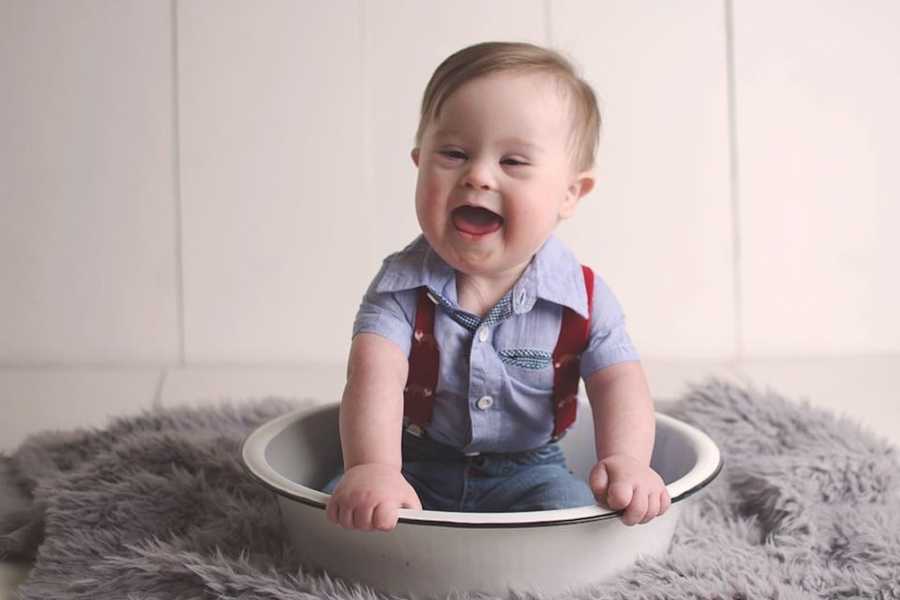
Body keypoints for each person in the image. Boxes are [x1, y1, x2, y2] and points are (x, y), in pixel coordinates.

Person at [323, 41, 669, 532]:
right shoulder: (400, 288)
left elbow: (619, 383)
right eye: (454, 153)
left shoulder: (583, 298)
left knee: (572, 516)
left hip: (530, 469)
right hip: (414, 461)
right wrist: (373, 467)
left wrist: (627, 460)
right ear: (420, 162)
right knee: (345, 503)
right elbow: (372, 377)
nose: (478, 175)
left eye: (513, 162)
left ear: (571, 192)